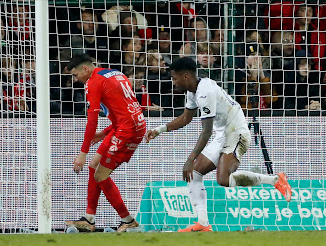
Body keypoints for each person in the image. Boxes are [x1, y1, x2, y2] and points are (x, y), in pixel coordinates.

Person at [145, 57, 292, 232]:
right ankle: (203, 224)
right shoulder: (193, 91)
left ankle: (275, 180)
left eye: (175, 78)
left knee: (223, 179)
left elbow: (206, 132)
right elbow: (185, 118)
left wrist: (190, 158)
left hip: (237, 132)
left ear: (185, 76)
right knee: (194, 173)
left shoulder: (204, 92)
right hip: (223, 134)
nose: (173, 82)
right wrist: (159, 130)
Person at [65, 53, 146, 232]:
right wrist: (104, 134)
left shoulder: (92, 82)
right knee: (94, 166)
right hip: (129, 124)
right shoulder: (114, 73)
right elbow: (125, 111)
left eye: (75, 75)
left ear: (85, 68)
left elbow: (92, 120)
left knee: (100, 175)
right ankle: (89, 219)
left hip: (127, 130)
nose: (76, 79)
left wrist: (82, 153)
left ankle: (128, 220)